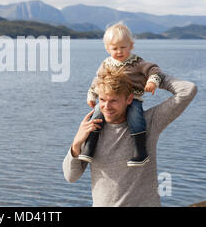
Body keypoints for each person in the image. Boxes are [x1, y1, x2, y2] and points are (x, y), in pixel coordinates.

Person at [63, 67, 197, 207]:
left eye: (113, 100)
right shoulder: (92, 130)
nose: (106, 106)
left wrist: (152, 77)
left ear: (129, 99)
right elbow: (71, 177)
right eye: (102, 100)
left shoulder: (149, 122)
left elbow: (188, 90)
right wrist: (76, 143)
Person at [80, 23, 164, 166]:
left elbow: (154, 70)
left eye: (123, 47)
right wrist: (91, 95)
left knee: (135, 118)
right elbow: (98, 80)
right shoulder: (106, 63)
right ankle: (89, 147)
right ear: (107, 49)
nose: (119, 51)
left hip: (133, 97)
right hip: (109, 98)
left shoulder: (137, 62)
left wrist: (152, 81)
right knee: (97, 116)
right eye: (114, 48)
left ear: (131, 46)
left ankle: (140, 152)